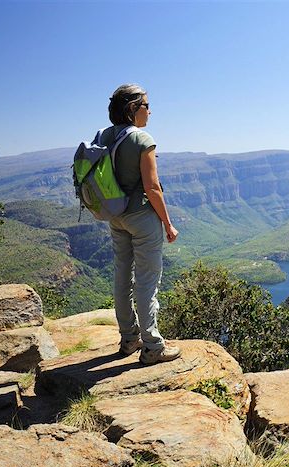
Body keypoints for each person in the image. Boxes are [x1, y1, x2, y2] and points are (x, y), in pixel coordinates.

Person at [100, 83, 180, 364]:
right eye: (146, 105)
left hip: (116, 216)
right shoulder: (142, 140)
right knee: (147, 282)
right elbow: (153, 187)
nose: (150, 111)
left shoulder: (104, 136)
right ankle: (153, 347)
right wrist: (167, 224)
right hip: (142, 219)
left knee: (122, 277)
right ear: (133, 108)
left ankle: (129, 338)